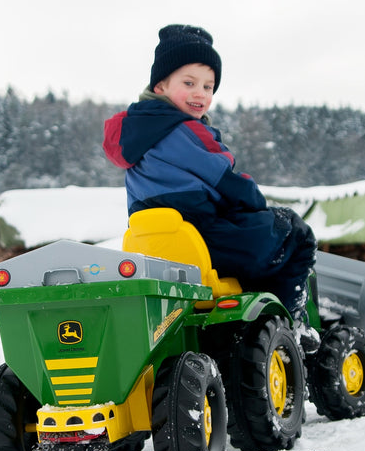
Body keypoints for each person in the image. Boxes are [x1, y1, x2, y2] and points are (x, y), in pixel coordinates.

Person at [102, 23, 317, 327]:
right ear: (160, 86)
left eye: (207, 86)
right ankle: (291, 324)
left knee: (256, 236)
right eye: (189, 83)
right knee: (294, 232)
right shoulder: (187, 130)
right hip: (204, 240)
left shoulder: (135, 137)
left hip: (153, 251)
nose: (199, 94)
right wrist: (259, 207)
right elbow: (231, 184)